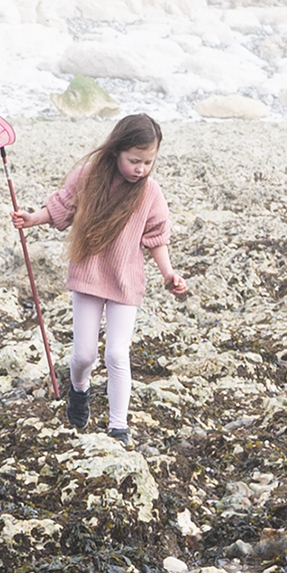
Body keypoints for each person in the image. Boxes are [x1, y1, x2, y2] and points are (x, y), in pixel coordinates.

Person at [30, 111, 187, 434]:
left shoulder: (150, 192)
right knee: (84, 355)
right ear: (117, 150)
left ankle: (118, 427)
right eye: (134, 161)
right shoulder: (89, 176)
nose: (141, 169)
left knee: (117, 353)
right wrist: (32, 219)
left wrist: (169, 273)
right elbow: (63, 206)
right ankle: (79, 389)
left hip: (126, 281)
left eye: (148, 162)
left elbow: (156, 236)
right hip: (89, 274)